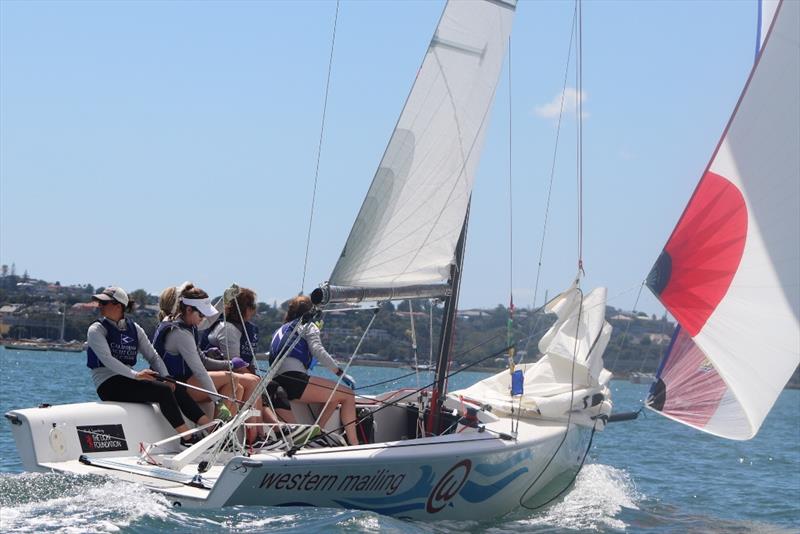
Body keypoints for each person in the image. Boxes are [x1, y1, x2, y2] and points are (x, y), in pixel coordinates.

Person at [86, 286, 213, 446]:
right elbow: (106, 359)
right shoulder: (96, 329)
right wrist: (136, 375)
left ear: (118, 306)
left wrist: (167, 377)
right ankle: (187, 438)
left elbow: (153, 356)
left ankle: (210, 428)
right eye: (100, 303)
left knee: (175, 387)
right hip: (107, 384)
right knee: (163, 391)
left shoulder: (135, 329)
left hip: (128, 379)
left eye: (104, 303)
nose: (100, 306)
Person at [270, 295, 358, 446]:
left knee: (335, 394)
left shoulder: (282, 329)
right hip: (294, 380)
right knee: (348, 395)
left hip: (277, 383)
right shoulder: (308, 325)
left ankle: (316, 431)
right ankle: (355, 444)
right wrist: (340, 373)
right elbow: (317, 349)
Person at [205, 286, 296, 424]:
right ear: (245, 308)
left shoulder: (245, 329)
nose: (254, 310)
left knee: (274, 387)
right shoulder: (228, 329)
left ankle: (282, 428)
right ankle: (261, 432)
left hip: (237, 374)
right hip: (224, 374)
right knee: (257, 384)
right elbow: (234, 363)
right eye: (252, 305)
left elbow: (246, 363)